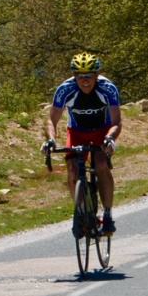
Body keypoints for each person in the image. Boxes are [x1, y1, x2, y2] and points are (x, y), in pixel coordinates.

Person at [47, 51, 122, 235]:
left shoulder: (107, 88)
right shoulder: (65, 89)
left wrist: (110, 138)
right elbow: (51, 119)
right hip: (77, 132)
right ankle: (81, 214)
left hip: (101, 131)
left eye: (89, 75)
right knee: (72, 170)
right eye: (80, 76)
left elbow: (117, 121)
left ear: (97, 75)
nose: (85, 80)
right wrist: (50, 140)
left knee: (101, 164)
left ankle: (108, 214)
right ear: (74, 76)